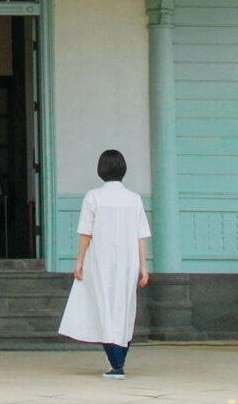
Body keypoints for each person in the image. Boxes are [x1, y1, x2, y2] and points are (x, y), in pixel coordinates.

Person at [58, 148, 149, 377]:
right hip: (128, 262)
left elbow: (86, 233)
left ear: (101, 169)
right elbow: (141, 236)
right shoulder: (134, 199)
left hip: (100, 259)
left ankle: (116, 364)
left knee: (104, 307)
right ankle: (118, 361)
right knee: (125, 308)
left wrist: (79, 261)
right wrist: (143, 267)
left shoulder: (93, 197)